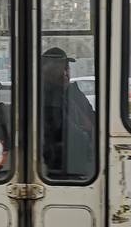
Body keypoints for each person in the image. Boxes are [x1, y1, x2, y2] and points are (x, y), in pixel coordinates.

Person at [40, 46, 96, 179]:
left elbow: (92, 117)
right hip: (63, 164)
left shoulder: (73, 92)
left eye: (67, 68)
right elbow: (67, 131)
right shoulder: (48, 98)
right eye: (61, 69)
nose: (66, 74)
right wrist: (88, 136)